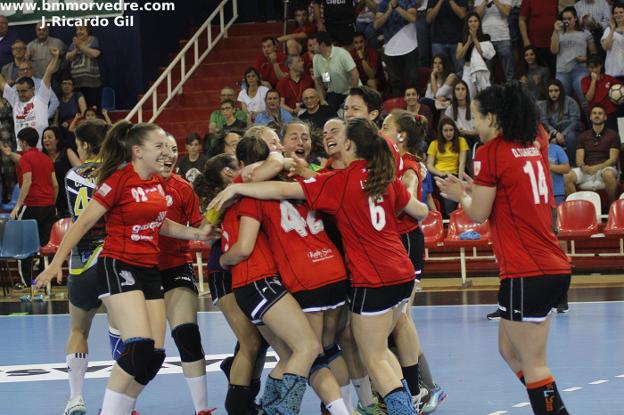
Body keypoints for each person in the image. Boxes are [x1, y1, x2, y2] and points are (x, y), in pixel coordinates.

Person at [209, 117, 430, 415]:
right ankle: (388, 400)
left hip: (363, 278)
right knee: (362, 348)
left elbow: (282, 192)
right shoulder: (382, 176)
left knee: (351, 354)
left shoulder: (335, 182)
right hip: (397, 272)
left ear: (349, 144)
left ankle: (301, 409)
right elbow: (420, 211)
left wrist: (238, 189)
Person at [34, 120, 217, 415]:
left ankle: (121, 407)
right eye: (158, 147)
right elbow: (83, 223)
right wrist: (55, 263)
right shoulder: (118, 180)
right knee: (140, 346)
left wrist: (197, 234)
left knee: (155, 355)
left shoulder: (157, 182)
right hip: (118, 264)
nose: (167, 153)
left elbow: (161, 222)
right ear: (137, 151)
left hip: (147, 270)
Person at [436, 81, 571, 415]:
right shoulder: (536, 138)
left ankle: (552, 408)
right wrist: (475, 187)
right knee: (508, 351)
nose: (473, 126)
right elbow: (511, 190)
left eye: (478, 118)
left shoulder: (490, 153)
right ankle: (549, 403)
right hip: (547, 265)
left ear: (494, 118)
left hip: (528, 270)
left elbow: (478, 212)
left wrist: (460, 195)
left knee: (535, 364)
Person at [381, 109, 448, 413]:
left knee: (400, 320)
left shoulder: (409, 165)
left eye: (385, 126)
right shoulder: (387, 162)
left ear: (401, 136)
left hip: (406, 243)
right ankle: (417, 389)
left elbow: (406, 195)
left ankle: (426, 390)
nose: (380, 130)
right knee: (395, 322)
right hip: (393, 243)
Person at [56, 119, 122, 415]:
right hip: (111, 256)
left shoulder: (72, 174)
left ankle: (75, 398)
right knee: (121, 327)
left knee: (78, 330)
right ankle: (121, 400)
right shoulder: (117, 173)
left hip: (81, 261)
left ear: (84, 146)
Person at [159, 134, 214, 415]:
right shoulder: (131, 186)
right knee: (145, 350)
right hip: (137, 272)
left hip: (174, 268)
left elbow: (201, 226)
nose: (169, 154)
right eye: (161, 148)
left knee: (187, 335)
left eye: (172, 148)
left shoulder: (182, 188)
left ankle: (201, 409)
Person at [2, 127, 57, 287]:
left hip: (32, 206)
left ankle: (26, 283)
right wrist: (52, 203)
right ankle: (45, 280)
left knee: (24, 245)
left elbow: (27, 181)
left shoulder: (26, 158)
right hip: (48, 207)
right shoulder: (46, 159)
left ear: (23, 142)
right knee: (46, 245)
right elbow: (55, 185)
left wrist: (17, 206)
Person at [0, 47, 60, 150]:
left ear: (33, 89)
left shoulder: (41, 98)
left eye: (23, 91)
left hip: (40, 149)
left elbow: (48, 73)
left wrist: (55, 58)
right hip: (21, 151)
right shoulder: (15, 100)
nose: (20, 94)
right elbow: (1, 83)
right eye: (18, 91)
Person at [563, 104, 620, 204]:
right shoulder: (583, 136)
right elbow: (579, 160)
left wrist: (596, 167)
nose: (596, 115)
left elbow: (613, 159)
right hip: (587, 170)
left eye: (600, 113)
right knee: (567, 177)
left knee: (608, 175)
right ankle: (577, 208)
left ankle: (613, 207)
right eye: (594, 113)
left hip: (605, 168)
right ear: (590, 117)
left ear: (605, 117)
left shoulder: (613, 135)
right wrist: (584, 167)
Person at [551, 6, 597, 115]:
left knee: (585, 101)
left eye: (569, 18)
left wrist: (586, 58)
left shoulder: (585, 33)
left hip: (580, 69)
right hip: (562, 70)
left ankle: (592, 126)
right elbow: (554, 51)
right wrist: (555, 31)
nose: (566, 21)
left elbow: (594, 53)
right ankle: (566, 128)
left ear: (575, 18)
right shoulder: (558, 32)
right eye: (564, 19)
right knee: (562, 103)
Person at [373, 0, 418, 97]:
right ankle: (399, 109)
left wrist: (396, 7)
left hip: (410, 47)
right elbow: (376, 25)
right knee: (395, 83)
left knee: (412, 80)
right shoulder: (383, 4)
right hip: (391, 49)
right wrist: (389, 11)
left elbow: (413, 18)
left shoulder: (409, 1)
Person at [427, 117, 469, 216]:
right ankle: (430, 214)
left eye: (451, 130)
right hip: (437, 173)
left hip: (452, 174)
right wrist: (441, 173)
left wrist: (460, 181)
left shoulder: (461, 141)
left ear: (455, 130)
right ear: (441, 131)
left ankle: (450, 216)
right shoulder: (434, 143)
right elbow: (429, 165)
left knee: (448, 181)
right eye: (445, 130)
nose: (448, 133)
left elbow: (462, 163)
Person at [312, 31, 361, 114]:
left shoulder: (342, 54)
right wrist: (322, 99)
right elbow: (318, 81)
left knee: (343, 115)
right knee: (327, 115)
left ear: (322, 44)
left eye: (314, 44)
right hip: (333, 93)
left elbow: (355, 75)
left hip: (351, 91)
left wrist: (351, 95)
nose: (312, 47)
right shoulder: (316, 58)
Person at [537, 79, 582, 162]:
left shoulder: (570, 102)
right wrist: (556, 134)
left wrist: (563, 134)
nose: (553, 94)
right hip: (553, 133)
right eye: (550, 91)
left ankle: (573, 164)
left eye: (556, 91)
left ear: (561, 91)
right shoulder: (543, 105)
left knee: (571, 137)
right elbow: (544, 122)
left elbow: (575, 121)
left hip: (570, 131)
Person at [41, 126, 81, 218]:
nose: (46, 140)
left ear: (57, 140)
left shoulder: (67, 152)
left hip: (69, 196)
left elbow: (80, 170)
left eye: (50, 137)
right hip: (50, 197)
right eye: (44, 138)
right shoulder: (42, 156)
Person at [457, 12, 496, 99]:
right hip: (468, 70)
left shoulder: (485, 37)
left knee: (486, 98)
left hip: (481, 69)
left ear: (479, 23)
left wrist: (475, 39)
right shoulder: (463, 37)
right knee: (468, 97)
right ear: (467, 24)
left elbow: (484, 54)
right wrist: (468, 42)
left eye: (475, 21)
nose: (473, 23)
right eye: (470, 21)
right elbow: (458, 56)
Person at [581, 54, 624, 132]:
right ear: (587, 68)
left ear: (600, 66)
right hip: (595, 114)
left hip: (609, 113)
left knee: (612, 137)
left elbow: (621, 88)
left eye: (596, 67)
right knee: (598, 139)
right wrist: (593, 81)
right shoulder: (584, 81)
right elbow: (588, 98)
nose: (594, 70)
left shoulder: (608, 78)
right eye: (591, 67)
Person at [474, 0, 514, 82]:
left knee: (509, 71)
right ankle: (487, 92)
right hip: (485, 38)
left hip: (503, 36)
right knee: (486, 71)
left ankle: (511, 90)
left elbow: (506, 13)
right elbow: (476, 16)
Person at [426, 0, 468, 74]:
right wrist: (440, 2)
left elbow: (463, 15)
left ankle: (460, 85)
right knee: (438, 72)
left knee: (460, 71)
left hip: (457, 41)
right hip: (438, 41)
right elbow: (429, 19)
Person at [65, 25, 102, 108]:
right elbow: (68, 57)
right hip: (77, 83)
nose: (78, 32)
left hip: (91, 83)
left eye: (81, 29)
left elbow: (94, 54)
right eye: (77, 29)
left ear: (87, 30)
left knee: (92, 109)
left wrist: (80, 46)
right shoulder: (73, 44)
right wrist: (76, 48)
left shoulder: (92, 39)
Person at [519, 0, 558, 76]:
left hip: (554, 45)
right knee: (537, 75)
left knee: (553, 73)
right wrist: (525, 40)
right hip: (535, 45)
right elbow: (521, 20)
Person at [601, 3, 624, 80]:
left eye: (621, 12)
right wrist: (613, 29)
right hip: (613, 71)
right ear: (613, 15)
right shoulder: (608, 30)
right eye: (615, 13)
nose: (618, 15)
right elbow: (605, 47)